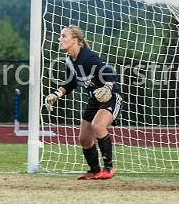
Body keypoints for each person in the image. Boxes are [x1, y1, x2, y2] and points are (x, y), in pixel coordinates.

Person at [45, 25, 122, 180]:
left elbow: (108, 73)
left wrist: (107, 87)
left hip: (111, 96)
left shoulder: (88, 57)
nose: (59, 39)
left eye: (63, 36)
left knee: (98, 126)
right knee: (84, 139)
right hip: (95, 99)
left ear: (76, 40)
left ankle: (109, 168)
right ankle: (94, 171)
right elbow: (71, 83)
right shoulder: (69, 60)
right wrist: (56, 94)